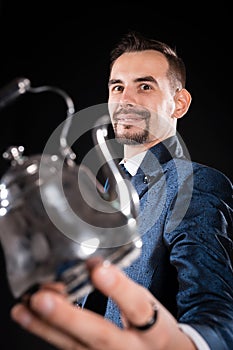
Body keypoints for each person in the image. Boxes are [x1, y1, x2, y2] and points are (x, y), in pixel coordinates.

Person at [10, 31, 233, 349]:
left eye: (145, 86)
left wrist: (189, 344)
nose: (126, 99)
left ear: (179, 104)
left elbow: (217, 312)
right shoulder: (101, 196)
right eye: (118, 86)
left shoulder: (194, 184)